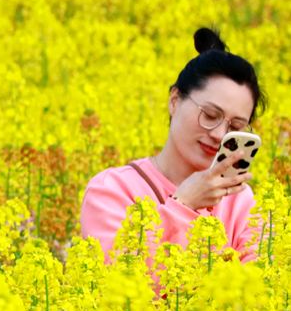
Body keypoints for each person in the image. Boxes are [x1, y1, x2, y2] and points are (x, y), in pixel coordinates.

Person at [81, 28, 262, 263]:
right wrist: (184, 205)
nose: (219, 135)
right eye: (209, 115)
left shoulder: (242, 201)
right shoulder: (111, 191)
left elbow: (262, 290)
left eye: (235, 127)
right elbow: (116, 282)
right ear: (175, 101)